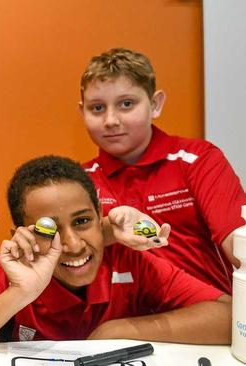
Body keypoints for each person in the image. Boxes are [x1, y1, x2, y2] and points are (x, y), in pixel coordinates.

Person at [0, 155, 231, 345]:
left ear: (100, 215)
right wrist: (21, 293)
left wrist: (115, 332)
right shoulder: (14, 267)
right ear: (22, 235)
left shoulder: (128, 259)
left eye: (82, 221)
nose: (73, 245)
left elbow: (232, 317)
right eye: (49, 230)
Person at [79, 48, 246, 294]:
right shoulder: (79, 180)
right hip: (118, 320)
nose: (111, 120)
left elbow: (237, 243)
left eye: (126, 104)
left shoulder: (198, 159)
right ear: (81, 111)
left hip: (204, 315)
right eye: (97, 108)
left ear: (155, 104)